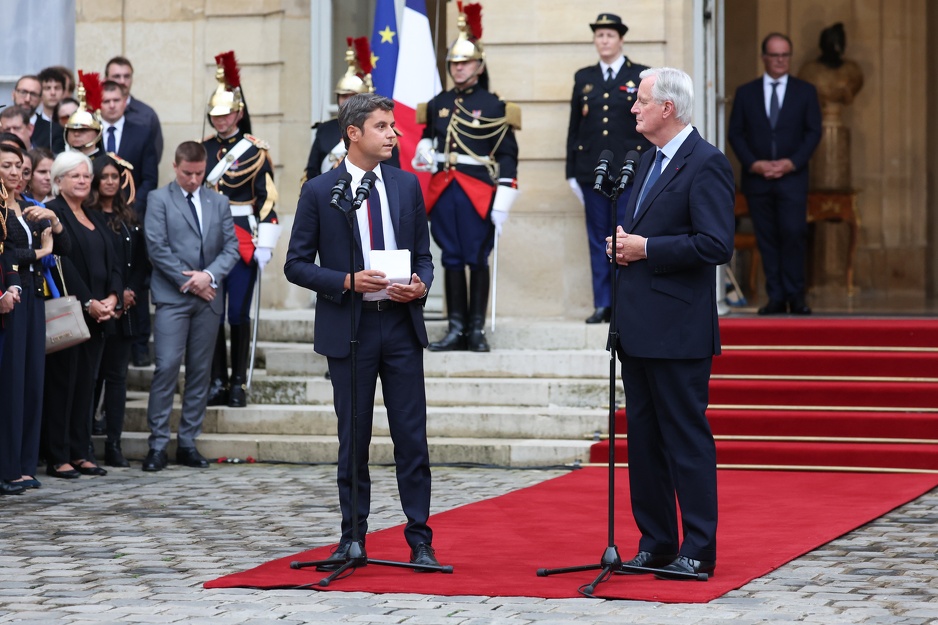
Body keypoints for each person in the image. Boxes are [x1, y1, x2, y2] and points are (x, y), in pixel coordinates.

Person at [284, 92, 440, 569]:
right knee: (353, 438)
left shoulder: (407, 186)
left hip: (399, 326)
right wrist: (346, 281)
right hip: (349, 327)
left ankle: (420, 539)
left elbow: (424, 258)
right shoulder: (319, 191)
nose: (394, 134)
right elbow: (295, 264)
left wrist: (420, 286)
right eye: (383, 127)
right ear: (353, 134)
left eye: (393, 127)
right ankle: (353, 537)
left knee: (411, 437)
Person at [606, 67, 734, 579]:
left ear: (668, 109)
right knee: (645, 441)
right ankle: (657, 541)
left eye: (641, 101)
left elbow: (715, 244)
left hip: (679, 331)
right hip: (637, 325)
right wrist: (624, 244)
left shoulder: (706, 163)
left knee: (685, 439)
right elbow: (643, 229)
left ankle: (698, 549)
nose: (634, 109)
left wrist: (646, 248)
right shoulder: (645, 160)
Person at [413, 2, 519, 352]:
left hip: (477, 190)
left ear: (479, 65)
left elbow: (506, 154)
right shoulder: (438, 102)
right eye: (454, 63)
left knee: (476, 256)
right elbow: (430, 135)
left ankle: (475, 330)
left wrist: (503, 196)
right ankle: (455, 327)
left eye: (465, 63)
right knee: (451, 257)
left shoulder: (494, 105)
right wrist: (426, 148)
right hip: (444, 188)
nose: (458, 69)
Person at [142, 141, 239, 472]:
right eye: (187, 173)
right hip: (174, 297)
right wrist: (193, 282)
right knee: (167, 366)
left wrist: (208, 276)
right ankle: (157, 444)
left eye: (199, 173)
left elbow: (231, 247)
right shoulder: (158, 199)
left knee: (200, 372)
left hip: (208, 298)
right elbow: (157, 248)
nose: (193, 179)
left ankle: (187, 442)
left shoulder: (219, 201)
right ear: (175, 166)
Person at [202, 51, 278, 408]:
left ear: (238, 113)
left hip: (244, 233)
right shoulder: (201, 151)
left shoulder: (255, 151)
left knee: (237, 314)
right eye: (215, 115)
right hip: (210, 238)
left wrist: (267, 239)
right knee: (213, 313)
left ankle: (237, 383)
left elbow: (267, 198)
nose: (221, 120)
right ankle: (216, 379)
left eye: (227, 114)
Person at [727, 33, 822, 315]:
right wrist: (754, 163)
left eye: (785, 55)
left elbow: (813, 132)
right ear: (764, 57)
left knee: (793, 234)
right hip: (758, 180)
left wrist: (792, 162)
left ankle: (797, 296)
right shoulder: (747, 92)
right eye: (775, 55)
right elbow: (736, 133)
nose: (781, 61)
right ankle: (777, 297)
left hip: (792, 178)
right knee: (767, 237)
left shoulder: (805, 91)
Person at [566, 13, 652, 324]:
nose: (604, 40)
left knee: (626, 237)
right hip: (593, 171)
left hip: (630, 171)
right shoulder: (583, 77)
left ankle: (624, 302)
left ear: (621, 39)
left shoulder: (640, 75)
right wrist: (571, 171)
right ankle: (603, 302)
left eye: (610, 35)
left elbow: (648, 126)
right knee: (597, 238)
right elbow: (575, 127)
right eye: (599, 35)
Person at [42, 151, 121, 480]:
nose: (83, 180)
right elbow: (62, 262)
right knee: (64, 383)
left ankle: (81, 450)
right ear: (58, 180)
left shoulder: (95, 214)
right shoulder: (51, 212)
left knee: (87, 385)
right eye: (75, 175)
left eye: (86, 176)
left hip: (100, 313)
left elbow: (113, 260)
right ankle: (58, 455)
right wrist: (89, 301)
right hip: (71, 309)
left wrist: (113, 297)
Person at [0, 143, 69, 492]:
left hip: (33, 294)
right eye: (7, 166)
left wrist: (54, 221)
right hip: (12, 294)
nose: (15, 173)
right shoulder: (2, 209)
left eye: (19, 167)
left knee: (31, 379)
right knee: (11, 380)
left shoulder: (28, 205)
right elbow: (8, 253)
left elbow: (61, 242)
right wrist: (40, 251)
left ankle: (26, 463)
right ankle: (9, 465)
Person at [87, 154, 147, 468]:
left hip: (127, 309)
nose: (111, 181)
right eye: (105, 176)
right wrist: (111, 296)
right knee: (91, 377)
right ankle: (84, 444)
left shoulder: (130, 216)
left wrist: (129, 293)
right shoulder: (88, 215)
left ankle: (114, 444)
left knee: (117, 378)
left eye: (115, 176)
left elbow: (140, 262)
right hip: (99, 309)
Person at [304, 37, 400, 183]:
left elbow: (391, 173)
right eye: (343, 96)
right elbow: (312, 171)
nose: (347, 101)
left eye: (353, 96)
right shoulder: (325, 129)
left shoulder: (384, 132)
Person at [99, 80, 159, 215]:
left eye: (116, 100)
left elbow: (149, 179)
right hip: (95, 211)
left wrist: (134, 206)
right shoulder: (90, 133)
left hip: (132, 211)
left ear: (125, 101)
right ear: (98, 103)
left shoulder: (142, 134)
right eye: (106, 101)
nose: (112, 105)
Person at [105, 56, 164, 164]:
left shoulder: (147, 114)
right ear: (106, 79)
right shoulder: (95, 113)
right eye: (116, 76)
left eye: (127, 76)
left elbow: (154, 157)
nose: (122, 81)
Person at [64, 72, 104, 159]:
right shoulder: (57, 162)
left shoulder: (110, 165)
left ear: (97, 133)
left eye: (83, 130)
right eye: (72, 130)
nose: (76, 134)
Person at [31, 67, 67, 154]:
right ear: (40, 93)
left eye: (57, 88)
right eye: (47, 88)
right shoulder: (33, 124)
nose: (53, 93)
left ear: (63, 92)